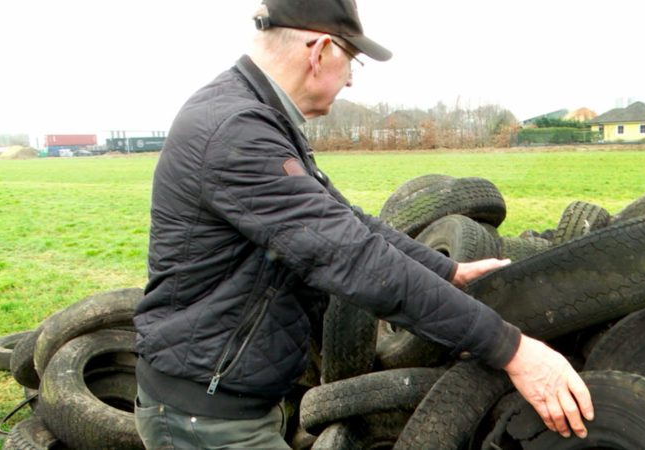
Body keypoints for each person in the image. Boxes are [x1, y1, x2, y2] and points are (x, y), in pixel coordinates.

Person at [132, 0, 594, 447]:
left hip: (229, 397)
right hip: (206, 417)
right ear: (319, 51)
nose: (351, 80)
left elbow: (350, 223)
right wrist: (511, 349)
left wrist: (446, 270)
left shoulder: (255, 115)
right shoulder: (236, 131)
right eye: (352, 60)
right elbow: (352, 258)